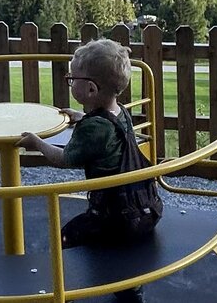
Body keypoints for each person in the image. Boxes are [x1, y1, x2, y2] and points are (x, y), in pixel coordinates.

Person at [17, 38, 161, 303]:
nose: (70, 82)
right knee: (112, 247)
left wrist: (36, 143)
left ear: (91, 89)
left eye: (72, 79)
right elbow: (105, 126)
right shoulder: (120, 112)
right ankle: (131, 291)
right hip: (141, 206)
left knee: (66, 237)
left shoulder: (93, 129)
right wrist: (80, 116)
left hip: (112, 214)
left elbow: (65, 159)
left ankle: (65, 291)